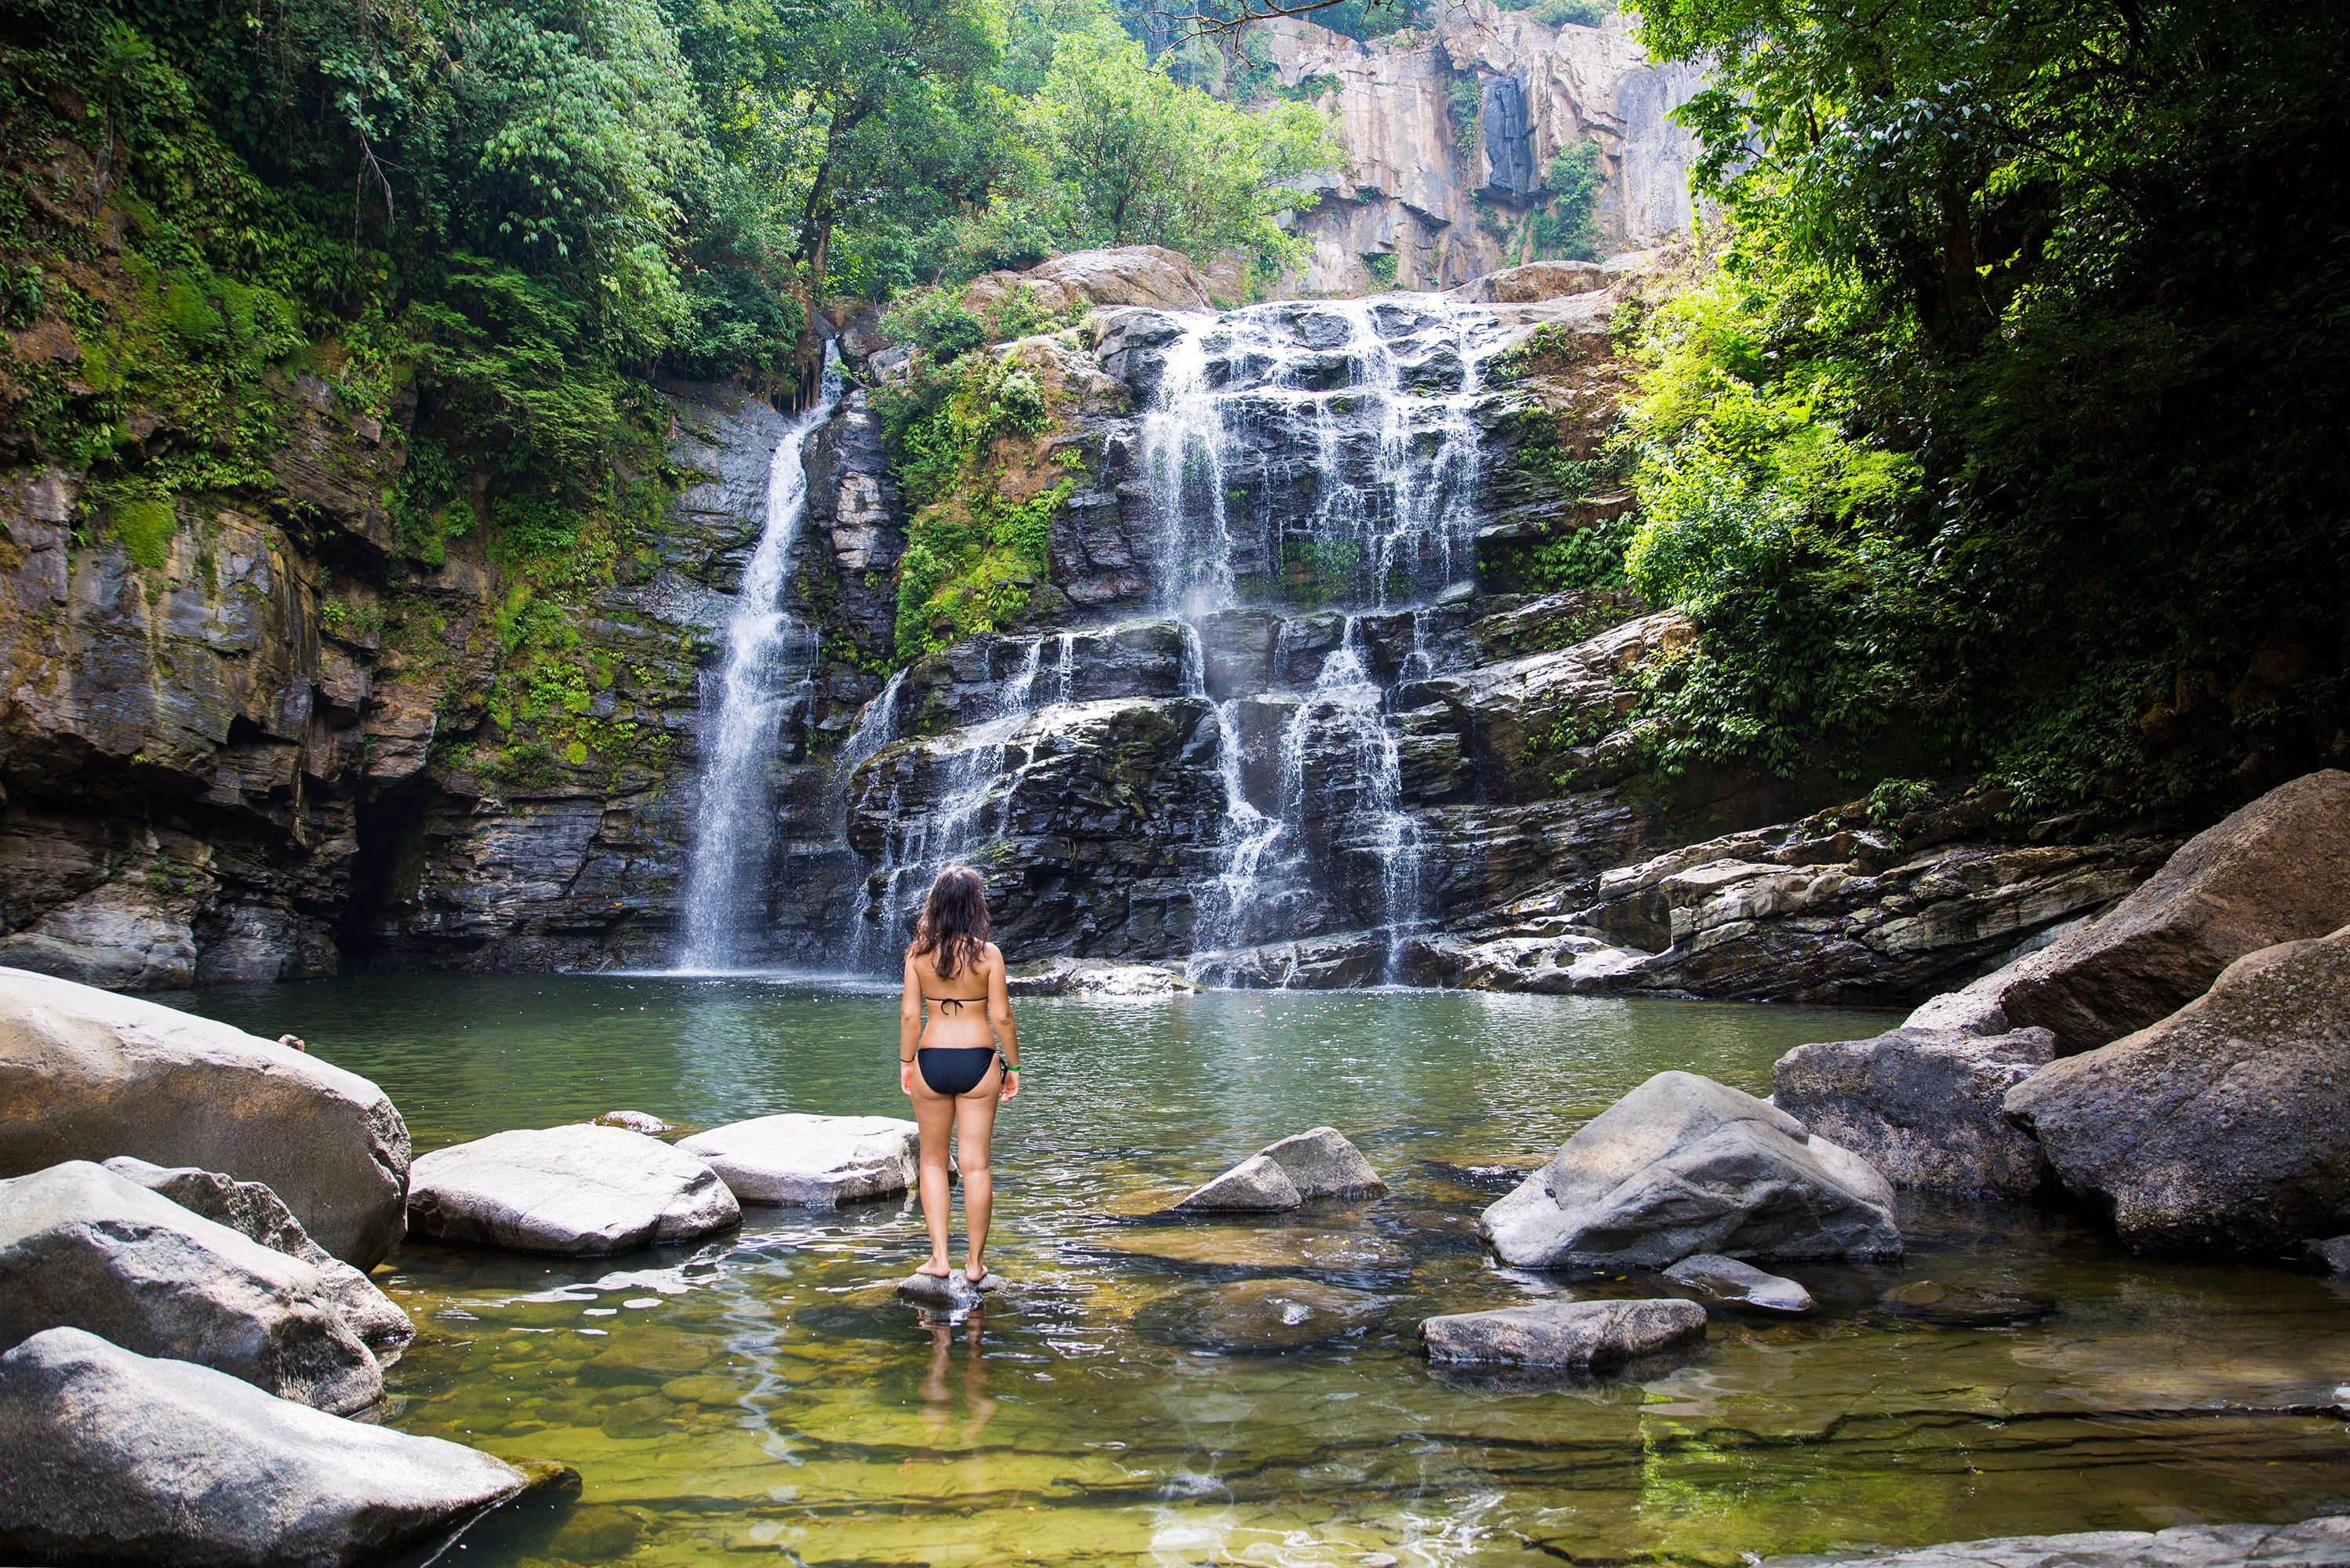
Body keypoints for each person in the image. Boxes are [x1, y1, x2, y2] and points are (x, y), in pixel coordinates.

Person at [899, 865, 1020, 1287]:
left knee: (932, 1161)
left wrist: (905, 1062)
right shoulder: (989, 955)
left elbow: (911, 1014)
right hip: (979, 1061)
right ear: (975, 907)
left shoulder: (917, 955)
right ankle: (974, 1265)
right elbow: (1002, 1016)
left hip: (931, 1059)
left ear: (936, 904)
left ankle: (938, 1259)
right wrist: (1014, 1066)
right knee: (976, 1165)